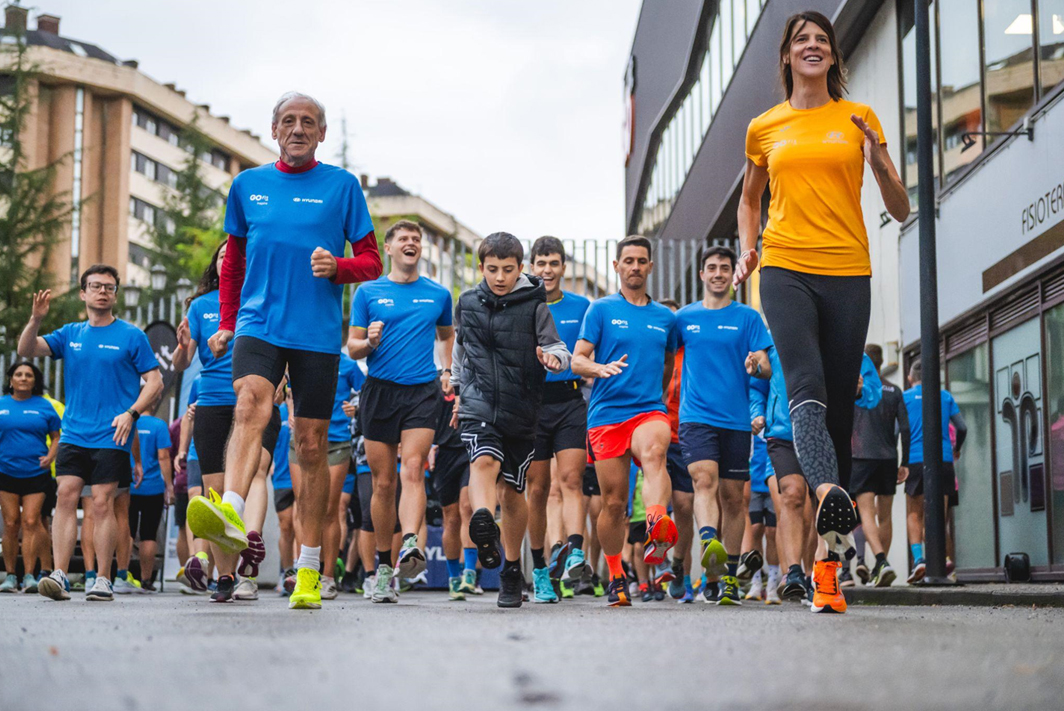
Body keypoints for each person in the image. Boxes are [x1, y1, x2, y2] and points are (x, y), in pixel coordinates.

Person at [736, 11, 908, 613]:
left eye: (822, 41)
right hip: (783, 269)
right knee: (803, 381)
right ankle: (832, 489)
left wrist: (878, 156)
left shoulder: (858, 118)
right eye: (801, 41)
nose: (812, 47)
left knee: (835, 411)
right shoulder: (765, 126)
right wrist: (749, 248)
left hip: (848, 271)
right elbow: (749, 199)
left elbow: (901, 206)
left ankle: (828, 567)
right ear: (786, 57)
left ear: (833, 58)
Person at [188, 92, 382, 611]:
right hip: (258, 324)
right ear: (274, 129)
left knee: (312, 446)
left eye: (309, 123)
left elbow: (371, 261)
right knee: (251, 402)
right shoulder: (247, 186)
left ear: (320, 134)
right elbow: (232, 265)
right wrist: (228, 322)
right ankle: (230, 511)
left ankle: (310, 567)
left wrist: (339, 268)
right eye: (289, 121)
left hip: (317, 334)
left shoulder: (342, 187)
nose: (298, 129)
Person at [19, 265, 163, 602]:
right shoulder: (70, 334)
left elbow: (154, 381)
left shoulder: (131, 335)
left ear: (115, 295)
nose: (103, 292)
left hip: (112, 433)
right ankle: (59, 573)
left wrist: (131, 414)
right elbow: (27, 349)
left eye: (109, 287)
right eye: (96, 286)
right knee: (67, 495)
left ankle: (102, 578)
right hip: (73, 433)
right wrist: (36, 319)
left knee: (102, 503)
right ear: (83, 293)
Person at [449, 232, 571, 608]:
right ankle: (484, 523)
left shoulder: (535, 305)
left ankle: (511, 569)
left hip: (522, 408)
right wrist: (456, 388)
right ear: (481, 267)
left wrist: (554, 359)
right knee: (483, 461)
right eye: (491, 270)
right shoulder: (466, 302)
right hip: (478, 403)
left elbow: (559, 349)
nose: (499, 277)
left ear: (521, 268)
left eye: (506, 270)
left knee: (514, 493)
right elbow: (460, 349)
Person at [347, 219, 452, 602]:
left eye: (416, 239)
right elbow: (352, 347)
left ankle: (410, 542)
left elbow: (446, 336)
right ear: (388, 249)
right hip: (379, 391)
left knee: (412, 467)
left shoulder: (438, 295)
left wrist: (449, 370)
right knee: (383, 482)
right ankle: (383, 566)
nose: (411, 243)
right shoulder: (368, 292)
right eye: (403, 238)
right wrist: (369, 341)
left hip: (422, 391)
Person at [571, 235, 679, 607]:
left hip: (649, 408)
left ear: (650, 267)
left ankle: (655, 524)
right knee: (613, 504)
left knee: (654, 451)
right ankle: (616, 574)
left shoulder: (666, 318)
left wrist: (657, 397)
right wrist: (598, 368)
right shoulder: (600, 310)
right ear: (617, 266)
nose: (635, 266)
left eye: (641, 260)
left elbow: (668, 363)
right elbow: (577, 359)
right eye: (628, 260)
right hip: (606, 415)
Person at [173, 241, 283, 602]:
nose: (229, 261)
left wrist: (282, 385)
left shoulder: (266, 296)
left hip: (255, 400)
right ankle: (225, 576)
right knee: (216, 493)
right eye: (223, 256)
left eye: (236, 257)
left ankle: (251, 545)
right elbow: (182, 364)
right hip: (213, 403)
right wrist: (181, 346)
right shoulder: (200, 306)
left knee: (254, 474)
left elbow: (284, 350)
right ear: (217, 264)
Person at [675, 246, 772, 605]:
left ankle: (728, 575)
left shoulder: (748, 318)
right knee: (704, 480)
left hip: (736, 420)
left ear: (733, 274)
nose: (717, 273)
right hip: (696, 417)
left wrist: (755, 367)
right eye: (711, 267)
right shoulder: (683, 318)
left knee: (734, 498)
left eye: (724, 268)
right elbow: (664, 356)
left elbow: (766, 366)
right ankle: (707, 543)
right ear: (702, 274)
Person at [526, 236, 592, 603]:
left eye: (554, 263)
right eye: (541, 263)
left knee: (570, 479)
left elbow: (590, 351)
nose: (547, 270)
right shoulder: (522, 305)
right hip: (532, 404)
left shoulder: (582, 306)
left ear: (563, 268)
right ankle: (546, 563)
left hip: (569, 400)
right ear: (531, 267)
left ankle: (576, 550)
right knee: (538, 489)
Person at [850, 344, 909, 587]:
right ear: (882, 362)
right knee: (885, 517)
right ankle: (878, 569)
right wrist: (904, 462)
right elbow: (905, 428)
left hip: (861, 456)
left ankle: (881, 562)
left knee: (866, 515)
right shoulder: (894, 390)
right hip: (888, 458)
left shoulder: (857, 388)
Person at [903, 360, 966, 584]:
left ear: (910, 379)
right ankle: (944, 562)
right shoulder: (945, 396)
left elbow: (898, 430)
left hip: (915, 460)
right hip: (944, 461)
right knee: (939, 515)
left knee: (914, 513)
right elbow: (962, 427)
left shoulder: (905, 397)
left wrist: (899, 461)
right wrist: (956, 448)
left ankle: (919, 559)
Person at [0, 362, 61, 593]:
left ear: (35, 381)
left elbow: (56, 437)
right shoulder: (1, 404)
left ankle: (29, 576)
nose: (23, 378)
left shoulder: (45, 406)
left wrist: (50, 456)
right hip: (5, 472)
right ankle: (10, 577)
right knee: (10, 523)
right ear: (11, 380)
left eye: (28, 375)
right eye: (18, 374)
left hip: (36, 474)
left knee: (32, 522)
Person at [318, 346, 364, 599]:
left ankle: (329, 573)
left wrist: (355, 409)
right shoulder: (305, 355)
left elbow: (367, 392)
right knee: (306, 508)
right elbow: (287, 392)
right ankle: (304, 567)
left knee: (334, 508)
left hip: (338, 439)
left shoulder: (348, 365)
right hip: (308, 439)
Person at [659, 298, 694, 603]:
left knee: (684, 506)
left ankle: (679, 564)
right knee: (654, 503)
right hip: (654, 437)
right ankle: (655, 548)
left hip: (687, 438)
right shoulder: (652, 351)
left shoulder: (692, 353)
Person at [119, 401, 172, 592]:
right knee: (149, 535)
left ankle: (121, 574)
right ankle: (146, 580)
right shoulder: (159, 425)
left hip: (129, 486)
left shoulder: (126, 421)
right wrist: (169, 486)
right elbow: (164, 457)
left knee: (127, 532)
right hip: (153, 487)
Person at [741, 436, 782, 604]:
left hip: (774, 479)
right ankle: (756, 582)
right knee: (755, 529)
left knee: (772, 531)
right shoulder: (753, 417)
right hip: (753, 482)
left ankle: (772, 585)